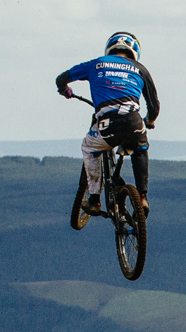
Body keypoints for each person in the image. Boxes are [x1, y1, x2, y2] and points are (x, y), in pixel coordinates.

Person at [56, 32, 159, 225]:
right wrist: (150, 121)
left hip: (108, 124)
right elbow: (154, 107)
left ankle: (94, 199)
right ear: (134, 51)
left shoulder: (96, 64)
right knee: (141, 148)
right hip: (134, 122)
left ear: (110, 47)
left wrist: (65, 90)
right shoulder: (141, 69)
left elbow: (61, 78)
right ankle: (143, 197)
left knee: (89, 147)